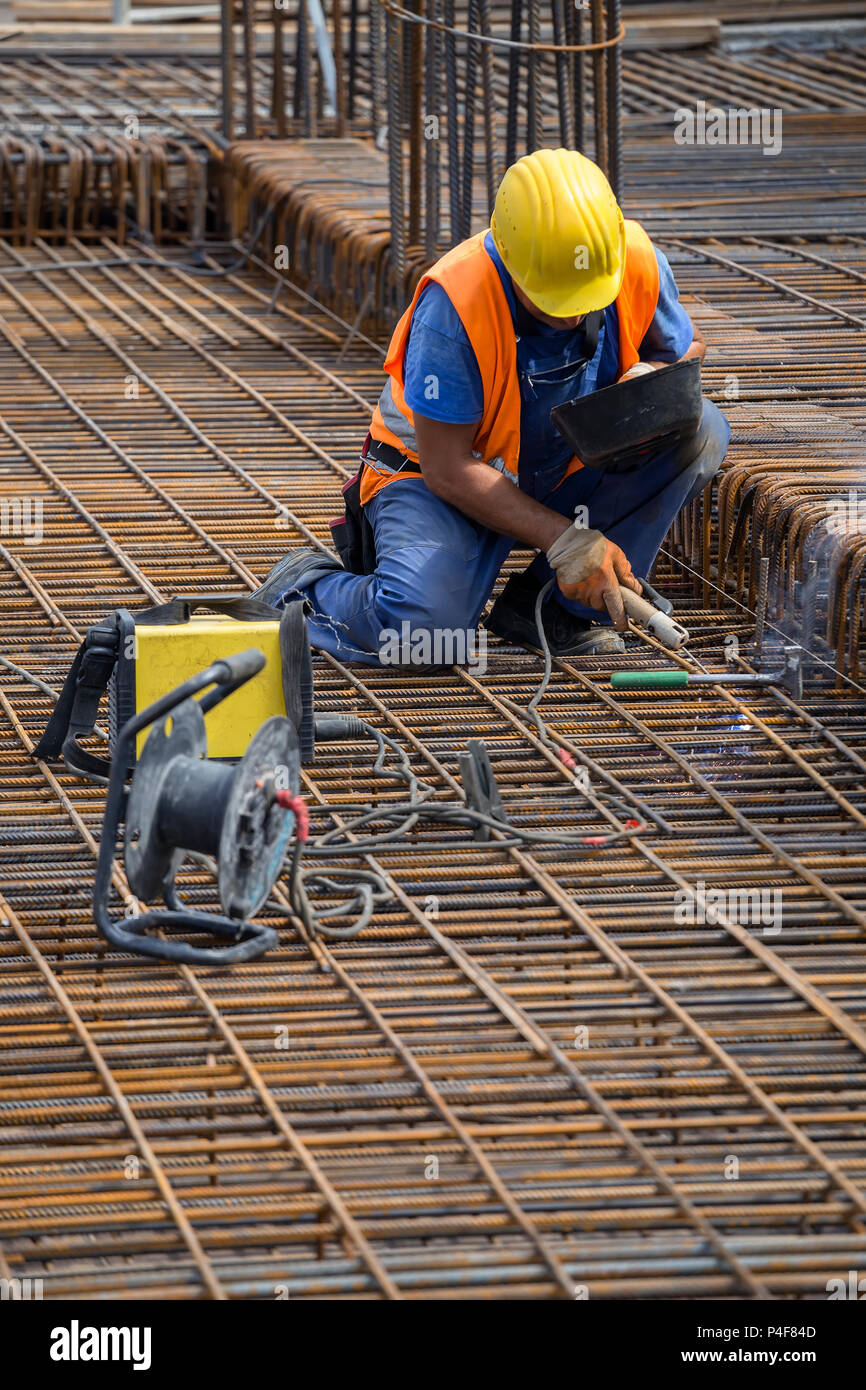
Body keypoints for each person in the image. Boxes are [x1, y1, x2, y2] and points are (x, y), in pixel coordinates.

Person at [256, 147, 729, 663]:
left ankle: (548, 609)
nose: (574, 320)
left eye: (585, 301)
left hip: (559, 465)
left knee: (698, 425)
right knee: (422, 634)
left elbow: (687, 345)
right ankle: (305, 591)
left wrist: (655, 377)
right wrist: (566, 540)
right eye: (555, 303)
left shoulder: (623, 256)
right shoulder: (457, 302)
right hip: (436, 480)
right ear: (511, 262)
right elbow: (448, 467)